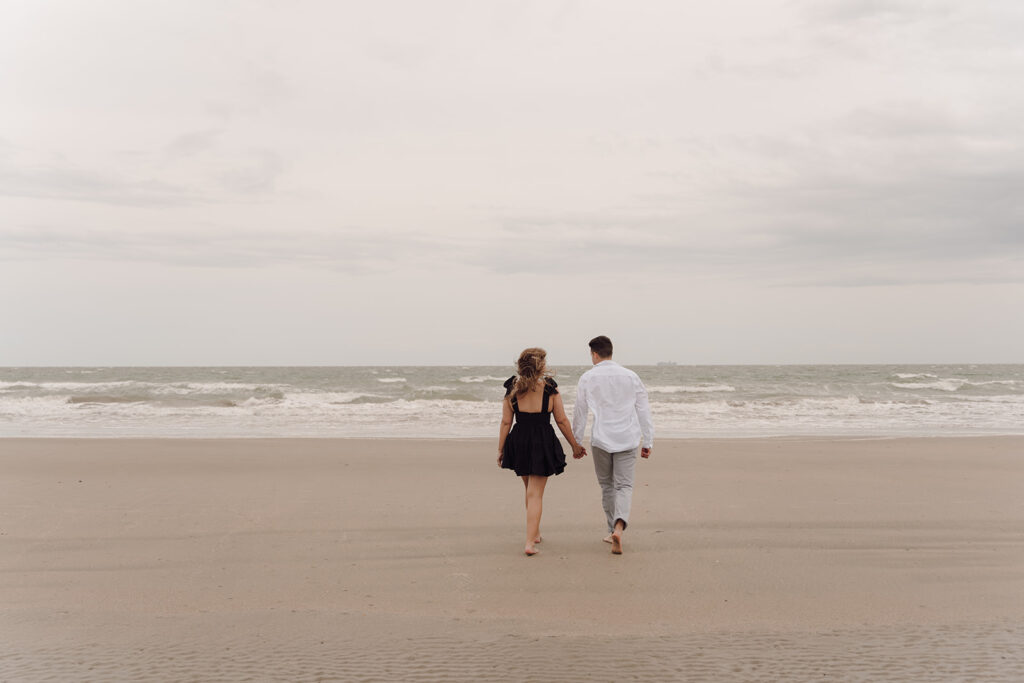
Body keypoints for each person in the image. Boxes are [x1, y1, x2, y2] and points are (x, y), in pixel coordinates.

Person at [498, 347, 585, 556]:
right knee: (536, 494)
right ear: (541, 366)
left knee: (529, 489)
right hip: (542, 440)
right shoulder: (549, 389)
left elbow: (505, 422)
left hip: (519, 440)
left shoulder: (512, 389)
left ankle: (535, 533)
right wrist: (574, 445)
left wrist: (501, 449)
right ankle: (530, 542)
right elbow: (562, 420)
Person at [572, 335, 654, 555]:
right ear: (611, 351)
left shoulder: (588, 377)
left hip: (601, 439)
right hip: (627, 438)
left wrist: (576, 442)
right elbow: (643, 409)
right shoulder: (631, 376)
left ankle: (611, 530)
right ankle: (619, 526)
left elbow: (580, 411)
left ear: (594, 354)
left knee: (607, 485)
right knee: (624, 486)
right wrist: (648, 440)